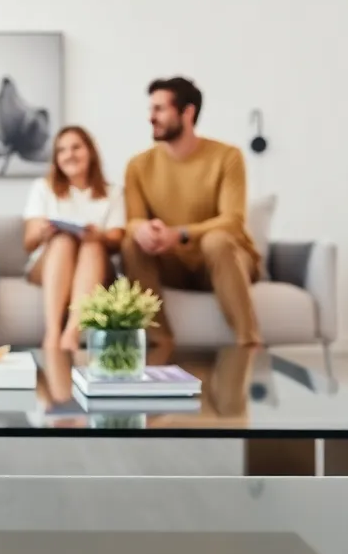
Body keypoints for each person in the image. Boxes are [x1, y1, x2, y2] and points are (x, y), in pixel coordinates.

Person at [121, 76, 261, 349]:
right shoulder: (138, 165)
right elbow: (132, 220)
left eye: (160, 109)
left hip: (224, 260)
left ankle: (249, 343)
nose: (151, 117)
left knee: (216, 240)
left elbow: (233, 221)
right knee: (131, 243)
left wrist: (180, 234)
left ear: (187, 112)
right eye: (150, 109)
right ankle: (161, 344)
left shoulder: (227, 157)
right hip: (172, 264)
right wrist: (143, 230)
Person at [22, 126, 125, 352]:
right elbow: (29, 242)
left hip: (93, 261)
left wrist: (99, 235)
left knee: (92, 244)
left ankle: (71, 333)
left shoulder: (113, 192)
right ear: (56, 159)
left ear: (90, 151)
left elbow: (117, 238)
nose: (69, 155)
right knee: (63, 241)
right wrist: (43, 232)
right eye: (62, 150)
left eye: (76, 147)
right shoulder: (43, 188)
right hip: (51, 259)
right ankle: (52, 333)